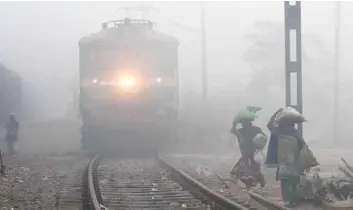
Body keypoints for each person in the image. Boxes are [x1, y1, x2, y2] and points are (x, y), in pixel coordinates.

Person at [266, 108, 306, 207]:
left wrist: (276, 112)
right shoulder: (295, 132)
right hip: (295, 161)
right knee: (294, 179)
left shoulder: (279, 132)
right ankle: (294, 200)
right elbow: (303, 146)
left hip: (284, 160)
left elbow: (269, 125)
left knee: (286, 180)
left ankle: (288, 200)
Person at [230, 118, 266, 188]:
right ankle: (260, 184)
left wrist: (234, 123)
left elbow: (233, 131)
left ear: (244, 123)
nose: (242, 125)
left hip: (247, 153)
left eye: (243, 123)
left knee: (243, 170)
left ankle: (256, 184)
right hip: (256, 152)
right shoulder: (257, 129)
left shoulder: (242, 130)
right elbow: (264, 138)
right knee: (255, 170)